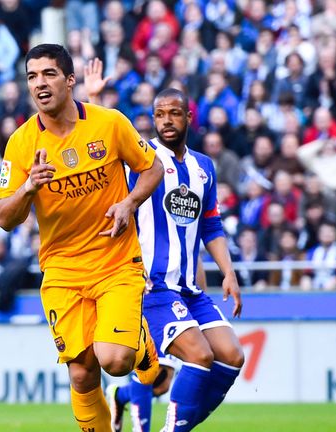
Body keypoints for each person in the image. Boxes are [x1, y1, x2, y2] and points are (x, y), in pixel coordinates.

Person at [0, 44, 164, 432]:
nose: (39, 83)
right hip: (61, 271)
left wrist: (130, 202)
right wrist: (28, 189)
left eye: (49, 74)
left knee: (115, 361)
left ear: (70, 81)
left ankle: (141, 339)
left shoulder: (109, 123)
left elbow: (152, 168)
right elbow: (5, 218)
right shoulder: (21, 144)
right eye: (32, 76)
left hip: (115, 262)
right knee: (82, 376)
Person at [85, 59, 244, 432]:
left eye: (174, 113)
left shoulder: (204, 167)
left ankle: (174, 426)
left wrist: (229, 272)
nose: (167, 120)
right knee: (197, 356)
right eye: (159, 114)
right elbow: (104, 145)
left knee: (231, 355)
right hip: (151, 285)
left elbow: (210, 225)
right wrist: (94, 99)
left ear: (189, 118)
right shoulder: (141, 159)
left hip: (189, 288)